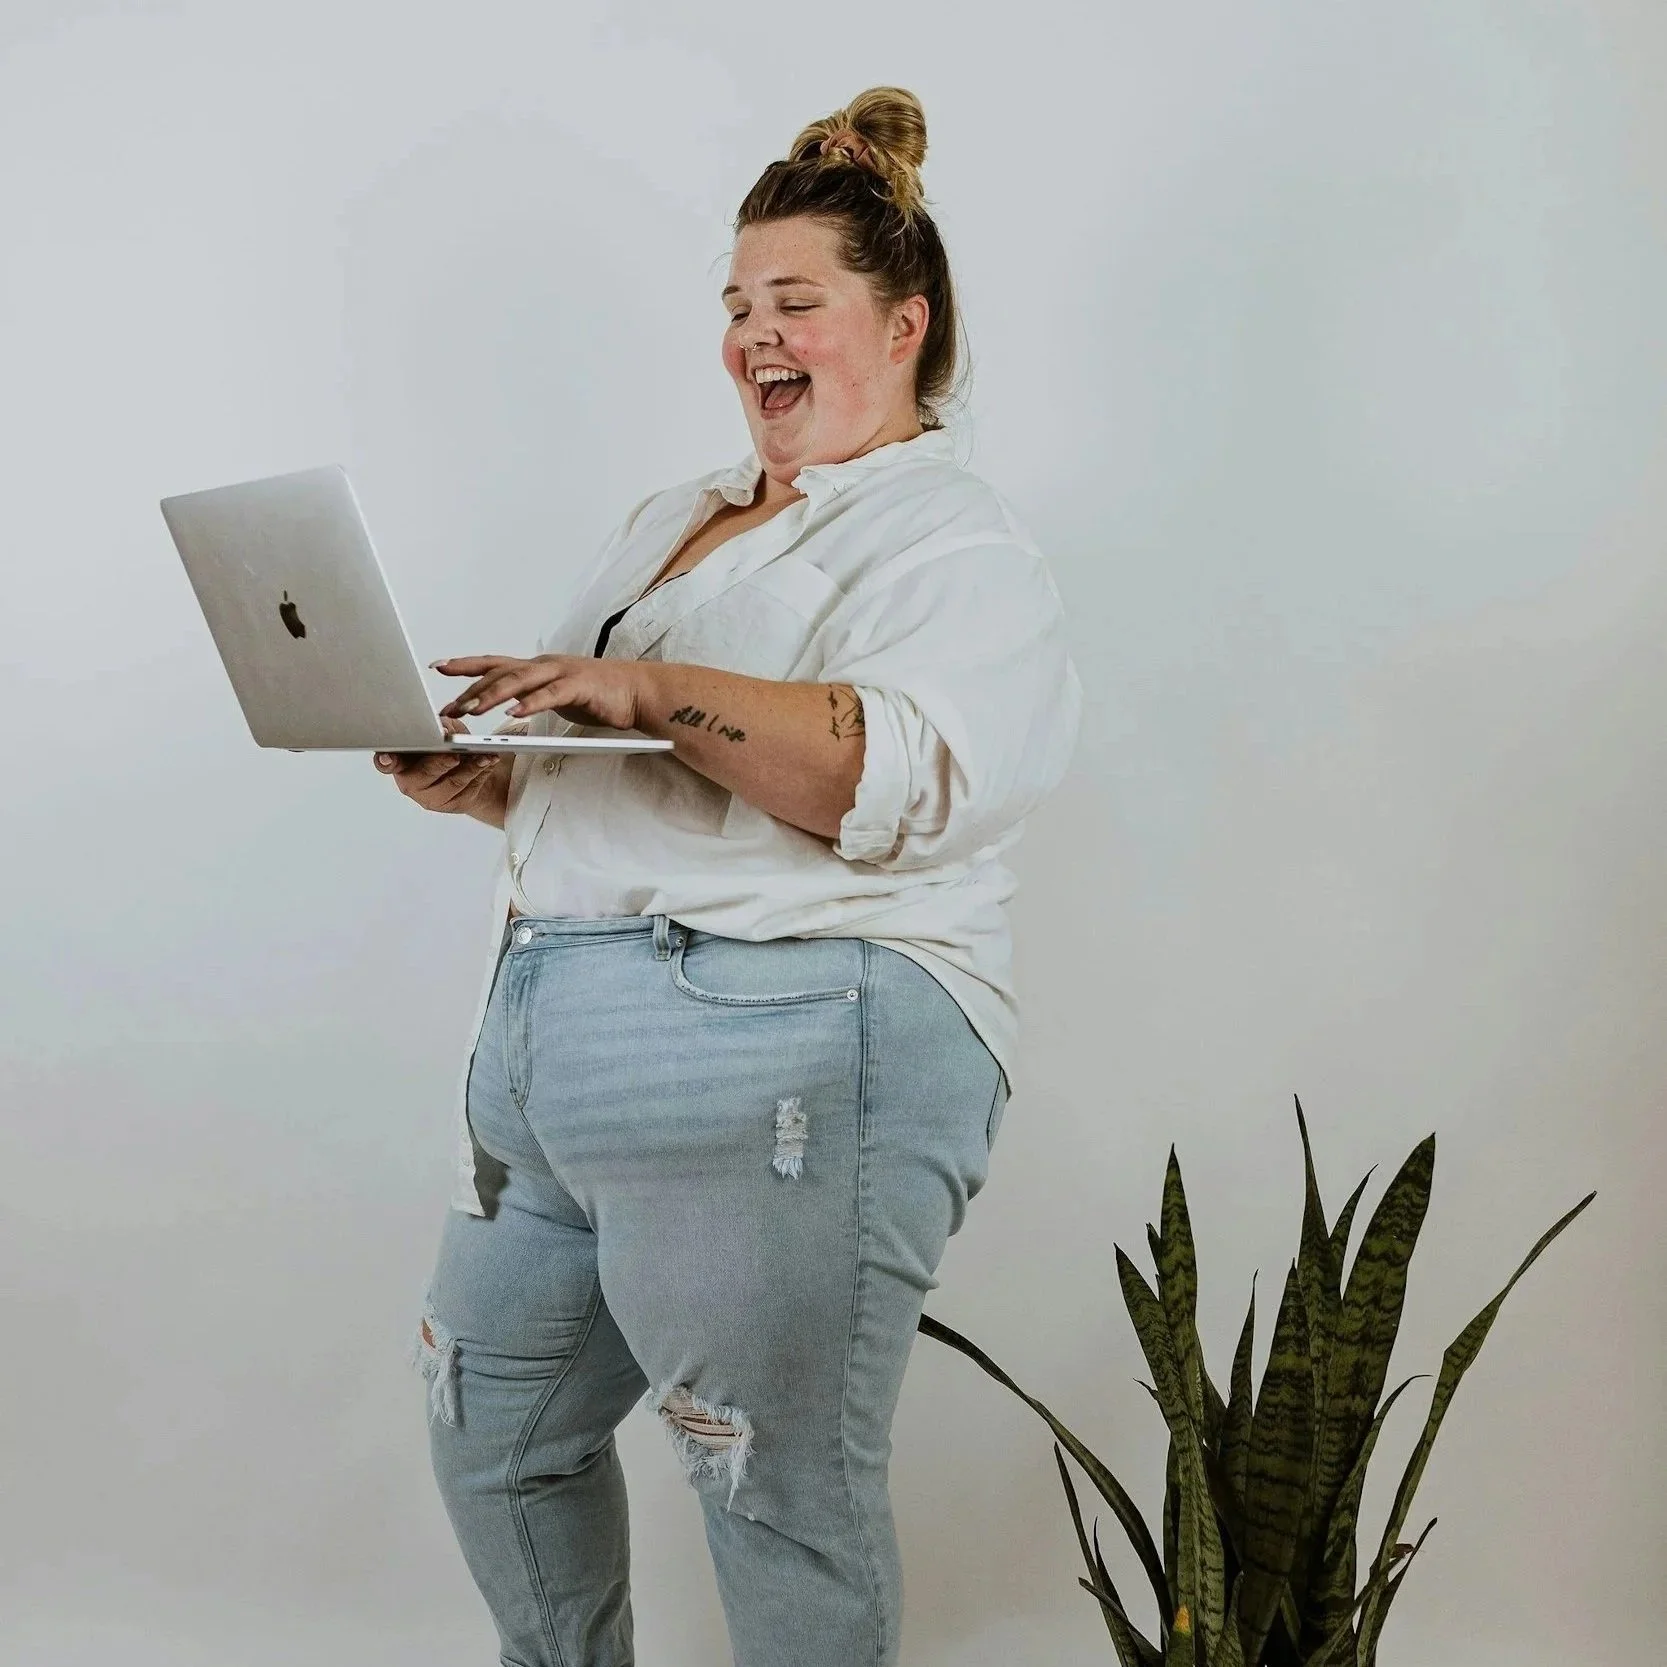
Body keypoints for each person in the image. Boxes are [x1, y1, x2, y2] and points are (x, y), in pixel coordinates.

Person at [377, 85, 1081, 1667]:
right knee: (489, 1426)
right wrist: (495, 781)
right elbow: (670, 791)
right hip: (550, 1035)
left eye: (796, 303)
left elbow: (883, 773)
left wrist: (638, 691)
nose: (755, 336)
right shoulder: (673, 520)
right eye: (736, 305)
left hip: (783, 1036)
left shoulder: (949, 542)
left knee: (773, 1490)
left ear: (901, 325)